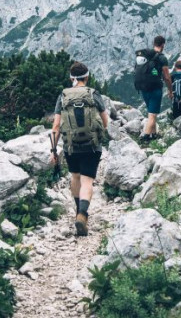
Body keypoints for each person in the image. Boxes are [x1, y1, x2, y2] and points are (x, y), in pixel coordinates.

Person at [51, 61, 109, 237]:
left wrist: (54, 151)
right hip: (92, 146)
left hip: (71, 146)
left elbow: (56, 127)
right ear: (87, 76)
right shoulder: (94, 94)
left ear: (71, 78)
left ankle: (78, 212)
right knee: (87, 181)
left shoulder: (63, 96)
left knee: (75, 177)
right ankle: (83, 214)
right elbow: (105, 122)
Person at [137, 35, 173, 142]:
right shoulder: (162, 58)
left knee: (151, 113)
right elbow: (167, 77)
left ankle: (153, 135)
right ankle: (145, 138)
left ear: (154, 44)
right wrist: (170, 91)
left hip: (143, 88)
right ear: (163, 45)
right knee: (152, 115)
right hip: (155, 89)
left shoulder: (146, 56)